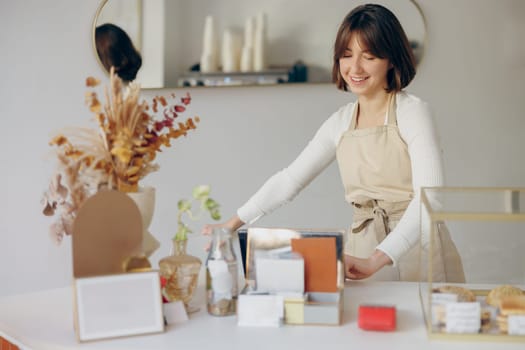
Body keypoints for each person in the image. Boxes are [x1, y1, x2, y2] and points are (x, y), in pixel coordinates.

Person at [203, 4, 464, 282]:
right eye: (346, 55)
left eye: (369, 56)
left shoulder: (413, 112)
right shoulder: (340, 122)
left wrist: (376, 259)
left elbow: (430, 199)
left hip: (419, 249)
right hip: (362, 249)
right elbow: (289, 181)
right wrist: (230, 225)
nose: (355, 68)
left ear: (391, 59)